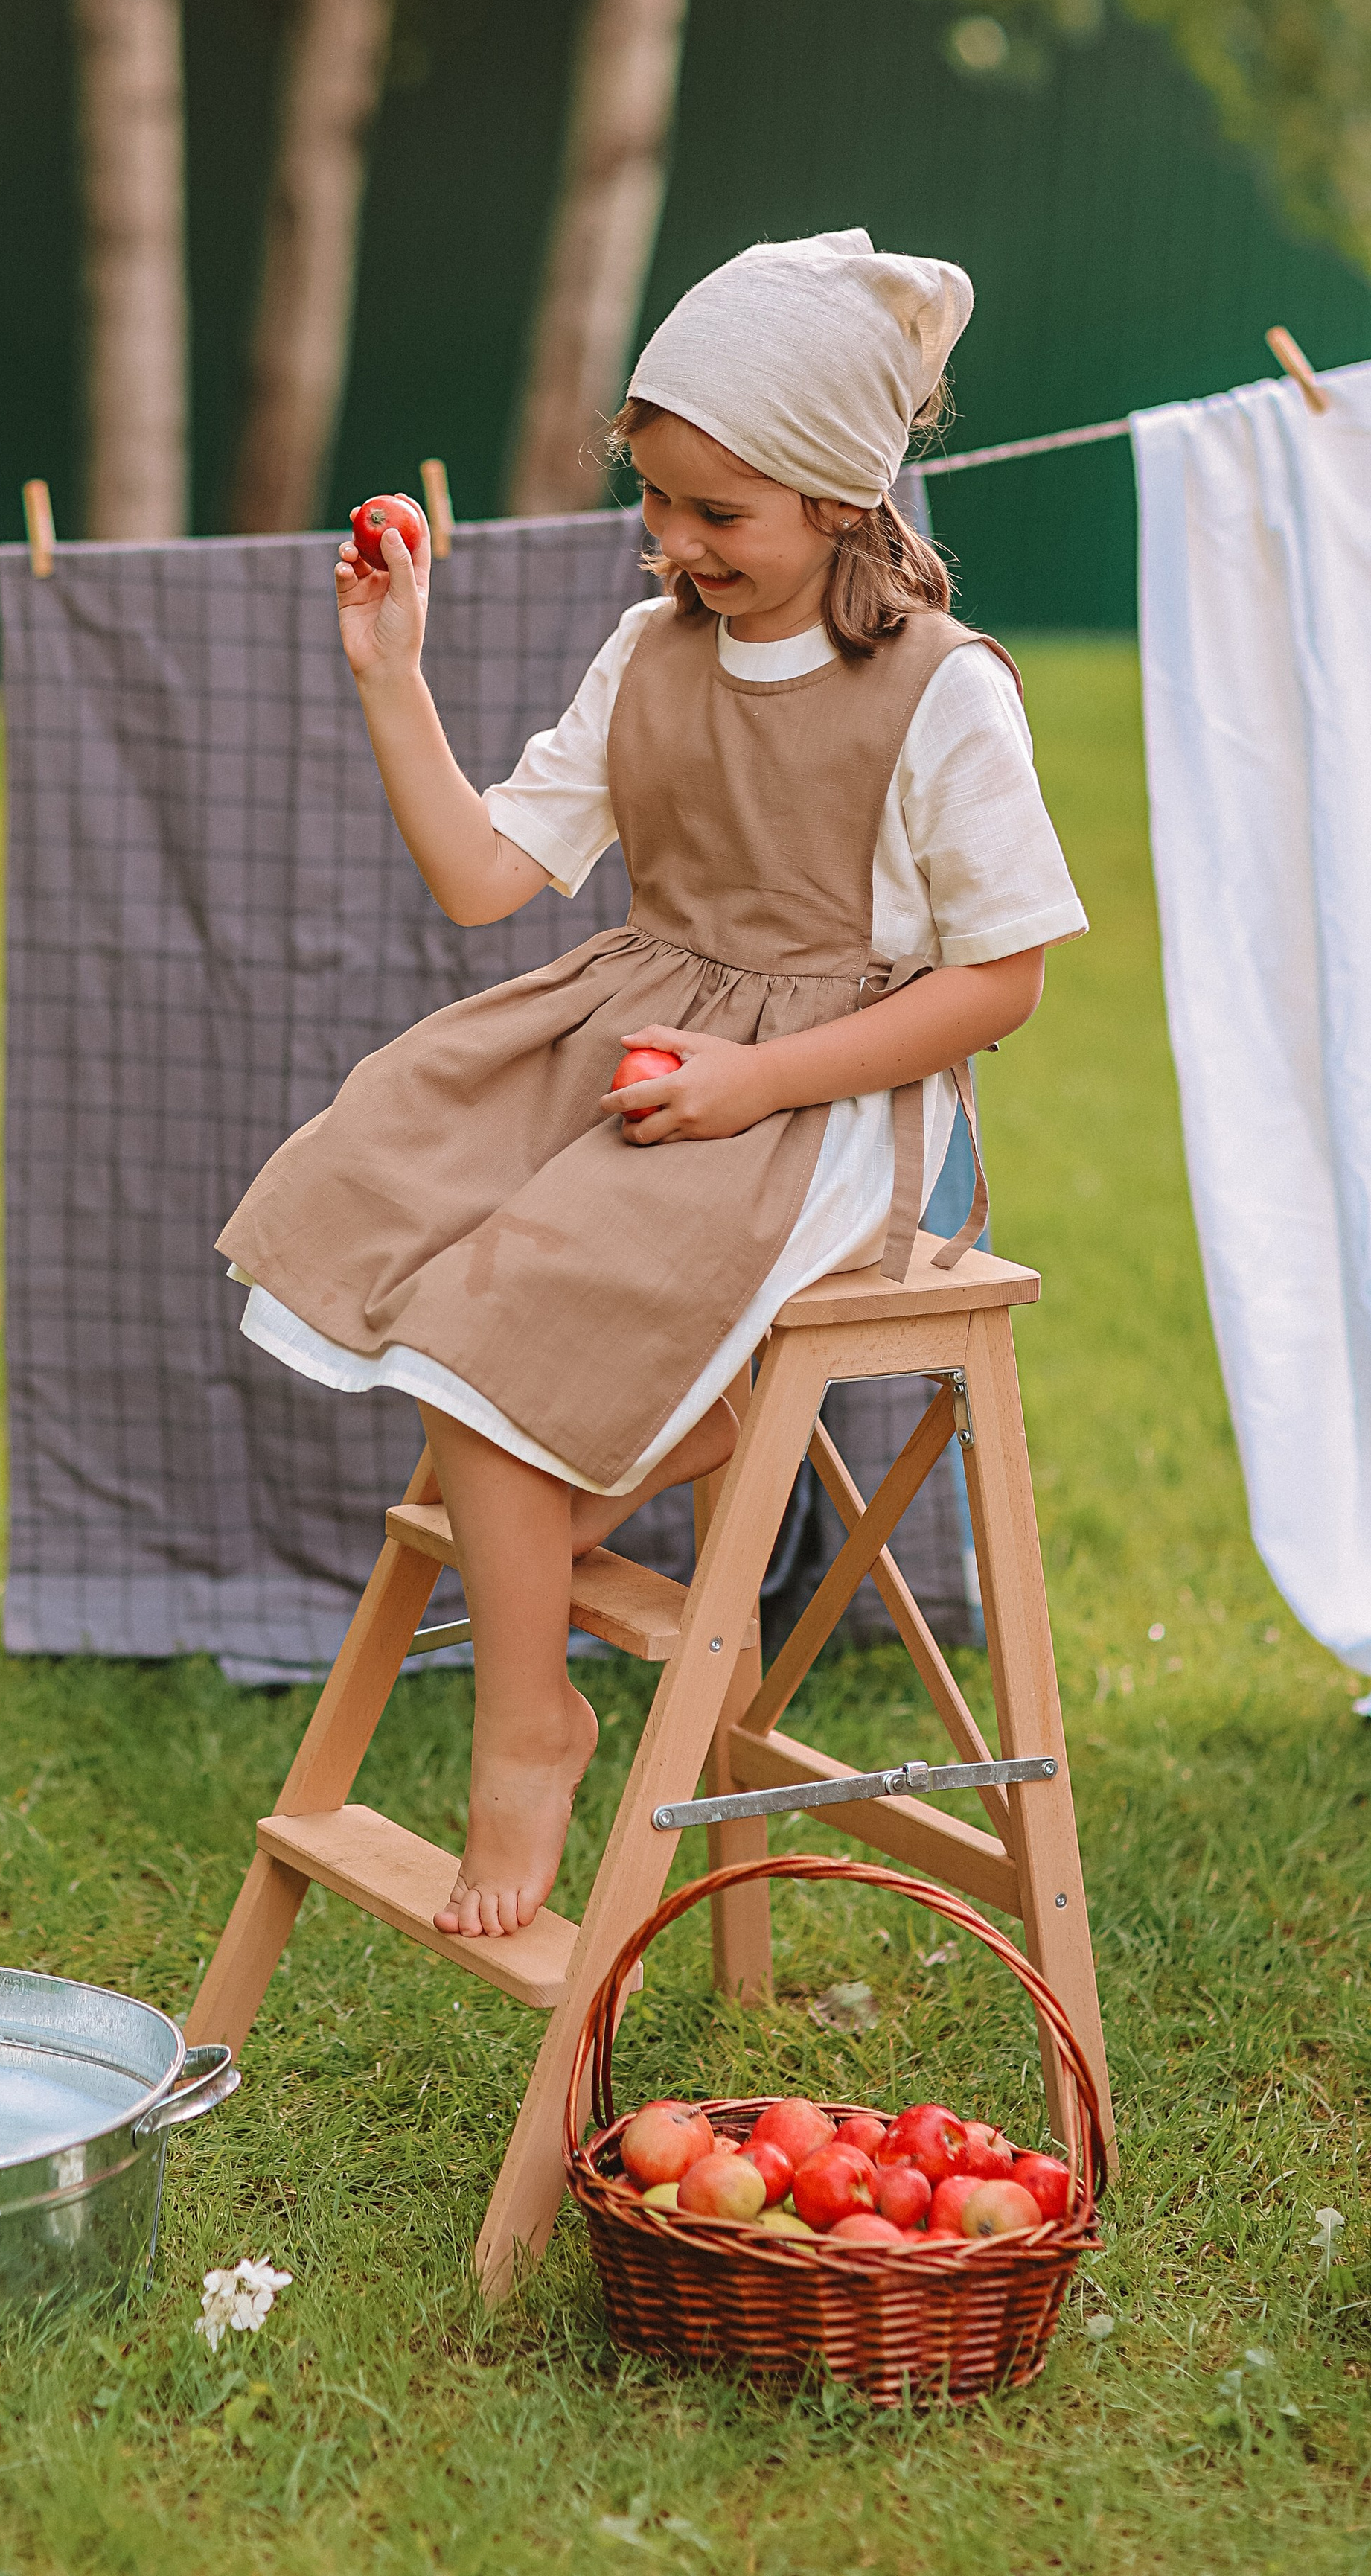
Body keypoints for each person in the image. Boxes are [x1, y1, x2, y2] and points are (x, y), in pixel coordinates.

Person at [218, 229, 1086, 1944]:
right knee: (382, 1165)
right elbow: (486, 879)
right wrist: (391, 677)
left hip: (838, 1104)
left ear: (842, 497)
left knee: (491, 1317)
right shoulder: (648, 649)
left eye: (717, 516)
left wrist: (756, 1081)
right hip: (653, 1032)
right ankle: (631, 1430)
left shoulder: (940, 699)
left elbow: (1002, 983)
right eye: (659, 503)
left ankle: (527, 1721)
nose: (673, 545)